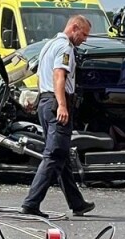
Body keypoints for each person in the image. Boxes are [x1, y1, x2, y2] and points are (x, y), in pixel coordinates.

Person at [20, 15, 96, 218]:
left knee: (61, 155)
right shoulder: (65, 48)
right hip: (57, 105)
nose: (85, 39)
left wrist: (39, 102)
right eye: (84, 34)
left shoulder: (48, 45)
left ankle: (77, 203)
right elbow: (58, 76)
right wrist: (62, 105)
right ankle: (31, 202)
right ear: (74, 28)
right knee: (54, 155)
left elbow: (40, 77)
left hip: (46, 103)